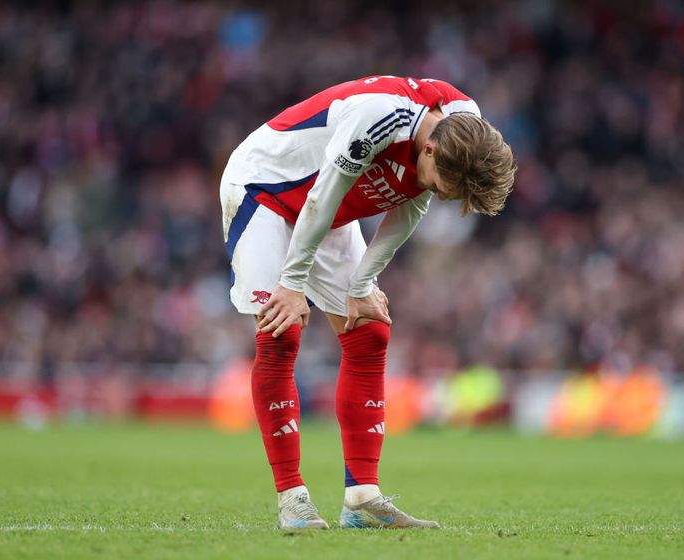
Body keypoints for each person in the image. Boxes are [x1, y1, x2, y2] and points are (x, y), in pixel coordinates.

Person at [219, 75, 515, 529]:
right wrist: (293, 283)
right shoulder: (377, 117)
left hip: (332, 207)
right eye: (440, 186)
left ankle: (361, 497)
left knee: (369, 330)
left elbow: (410, 204)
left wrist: (363, 286)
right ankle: (292, 500)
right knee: (282, 327)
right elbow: (323, 194)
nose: (436, 194)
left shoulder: (463, 133)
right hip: (266, 189)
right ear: (430, 150)